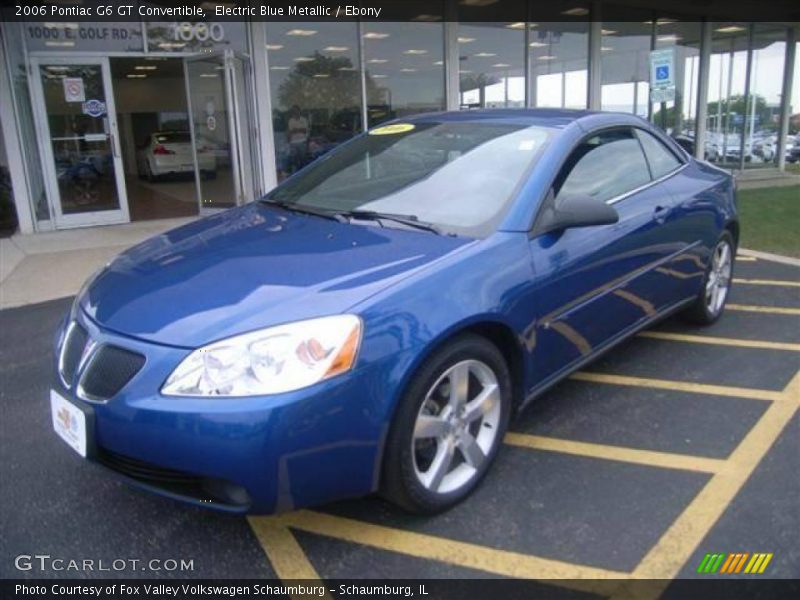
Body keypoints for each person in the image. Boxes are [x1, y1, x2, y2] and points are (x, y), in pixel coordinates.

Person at [287, 105, 309, 173]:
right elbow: (291, 131)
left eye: (296, 110)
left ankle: (304, 173)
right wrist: (299, 129)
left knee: (303, 159)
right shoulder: (290, 121)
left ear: (299, 111)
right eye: (294, 111)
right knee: (294, 160)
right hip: (293, 143)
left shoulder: (304, 120)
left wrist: (296, 130)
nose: (295, 112)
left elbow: (305, 130)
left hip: (302, 142)